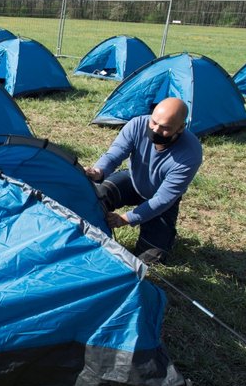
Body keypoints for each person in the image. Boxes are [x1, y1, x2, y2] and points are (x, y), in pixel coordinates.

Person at [84, 97, 202, 265]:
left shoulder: (190, 153)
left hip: (160, 199)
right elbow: (114, 154)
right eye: (153, 122)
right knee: (97, 195)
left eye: (165, 128)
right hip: (133, 180)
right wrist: (98, 171)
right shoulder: (137, 124)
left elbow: (163, 199)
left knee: (151, 259)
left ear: (181, 128)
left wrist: (125, 219)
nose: (156, 129)